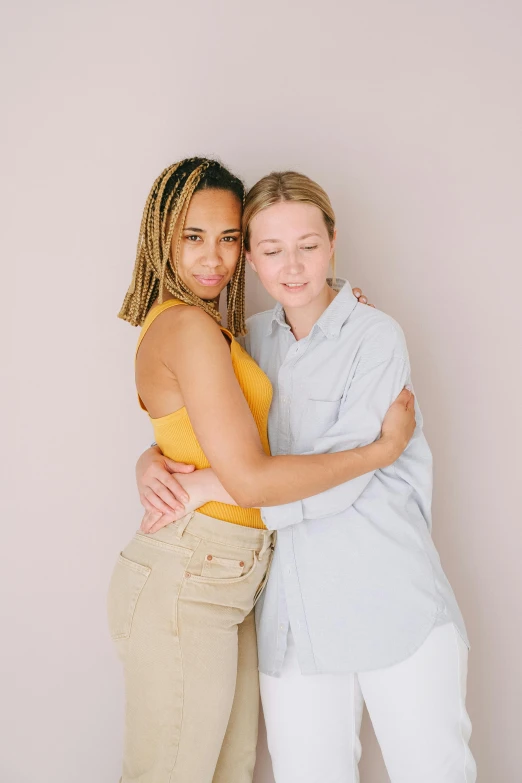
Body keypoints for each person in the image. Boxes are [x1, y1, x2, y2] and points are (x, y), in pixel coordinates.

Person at [138, 170, 476, 783]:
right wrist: (152, 459)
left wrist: (208, 487)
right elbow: (214, 433)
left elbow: (337, 483)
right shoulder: (245, 342)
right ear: (251, 260)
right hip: (294, 624)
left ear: (333, 242)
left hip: (390, 602)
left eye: (308, 246)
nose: (292, 267)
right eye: (270, 250)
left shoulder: (376, 336)